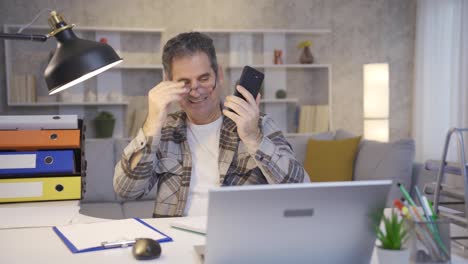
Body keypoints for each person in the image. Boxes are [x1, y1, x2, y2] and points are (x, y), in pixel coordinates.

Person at [113, 32, 308, 218]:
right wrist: (152, 124)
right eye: (184, 82)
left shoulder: (257, 125)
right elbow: (126, 191)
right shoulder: (163, 130)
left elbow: (301, 190)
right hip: (176, 240)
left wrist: (252, 137)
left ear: (219, 75)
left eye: (204, 79)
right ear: (167, 83)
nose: (196, 92)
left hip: (238, 238)